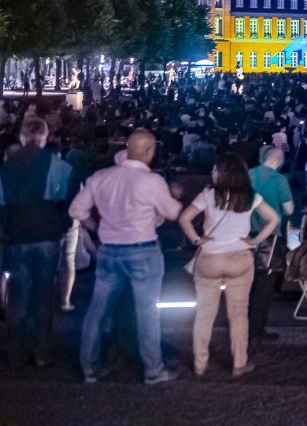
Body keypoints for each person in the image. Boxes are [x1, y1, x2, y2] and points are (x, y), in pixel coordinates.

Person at [70, 128, 183, 384]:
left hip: (109, 249)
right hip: (143, 249)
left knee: (98, 311)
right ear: (149, 151)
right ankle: (153, 369)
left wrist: (97, 228)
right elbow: (172, 212)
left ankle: (89, 367)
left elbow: (77, 210)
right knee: (147, 312)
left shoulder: (101, 177)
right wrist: (173, 197)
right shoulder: (152, 181)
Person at [178, 154, 279, 377]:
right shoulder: (250, 196)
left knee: (205, 313)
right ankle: (239, 363)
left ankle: (200, 362)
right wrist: (255, 240)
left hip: (210, 258)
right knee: (238, 313)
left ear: (223, 173)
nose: (212, 172)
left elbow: (184, 218)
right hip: (239, 257)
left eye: (215, 169)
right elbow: (274, 219)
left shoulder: (208, 195)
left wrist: (197, 239)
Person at [0, 117, 72, 368]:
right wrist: (62, 224)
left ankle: (14, 352)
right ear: (44, 137)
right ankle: (42, 352)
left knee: (18, 295)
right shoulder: (57, 165)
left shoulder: (6, 168)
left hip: (16, 236)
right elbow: (69, 198)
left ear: (22, 137)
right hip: (47, 235)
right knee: (43, 295)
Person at [248, 143, 294, 342]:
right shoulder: (279, 180)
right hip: (270, 237)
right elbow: (289, 209)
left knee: (248, 283)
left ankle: (244, 325)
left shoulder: (249, 174)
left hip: (247, 233)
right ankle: (257, 328)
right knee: (264, 285)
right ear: (280, 161)